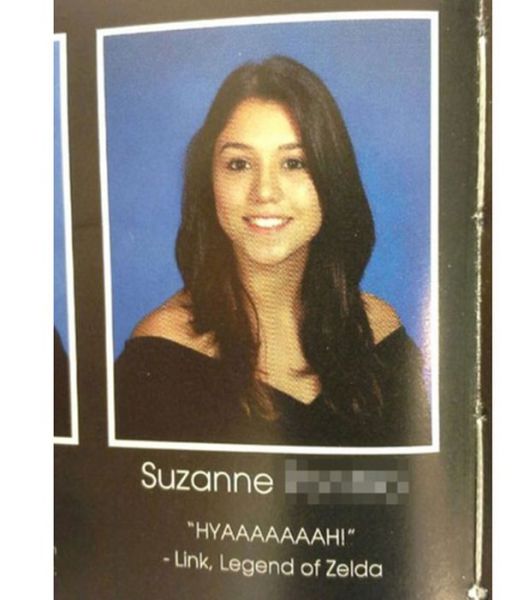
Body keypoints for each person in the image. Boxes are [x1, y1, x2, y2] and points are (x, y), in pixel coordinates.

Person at [115, 55, 431, 446]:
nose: (264, 191)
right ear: (208, 182)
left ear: (333, 178)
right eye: (239, 164)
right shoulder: (161, 353)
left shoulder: (379, 331)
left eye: (294, 163)